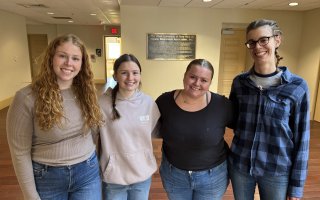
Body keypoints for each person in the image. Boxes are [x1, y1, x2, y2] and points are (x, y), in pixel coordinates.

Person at [6, 34, 103, 200]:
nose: (68, 63)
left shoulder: (87, 92)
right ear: (51, 57)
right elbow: (19, 152)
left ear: (82, 63)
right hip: (48, 177)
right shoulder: (27, 97)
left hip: (87, 172)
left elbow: (95, 132)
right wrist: (30, 196)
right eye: (62, 56)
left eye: (75, 58)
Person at [228, 19, 310, 200]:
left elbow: (302, 139)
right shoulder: (240, 83)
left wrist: (296, 186)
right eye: (252, 42)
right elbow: (234, 122)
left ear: (277, 40)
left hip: (276, 170)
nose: (257, 47)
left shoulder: (297, 86)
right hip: (240, 166)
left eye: (263, 40)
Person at [156, 59, 233, 200]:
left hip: (213, 177)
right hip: (174, 175)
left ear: (210, 83)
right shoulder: (164, 102)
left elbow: (243, 129)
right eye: (192, 77)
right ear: (184, 76)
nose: (197, 83)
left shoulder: (222, 105)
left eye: (204, 80)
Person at [99, 53, 160, 200]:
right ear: (115, 76)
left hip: (141, 175)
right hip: (114, 176)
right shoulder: (101, 104)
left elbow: (151, 132)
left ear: (140, 75)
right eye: (124, 73)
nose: (130, 78)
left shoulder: (148, 102)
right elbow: (94, 138)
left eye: (135, 73)